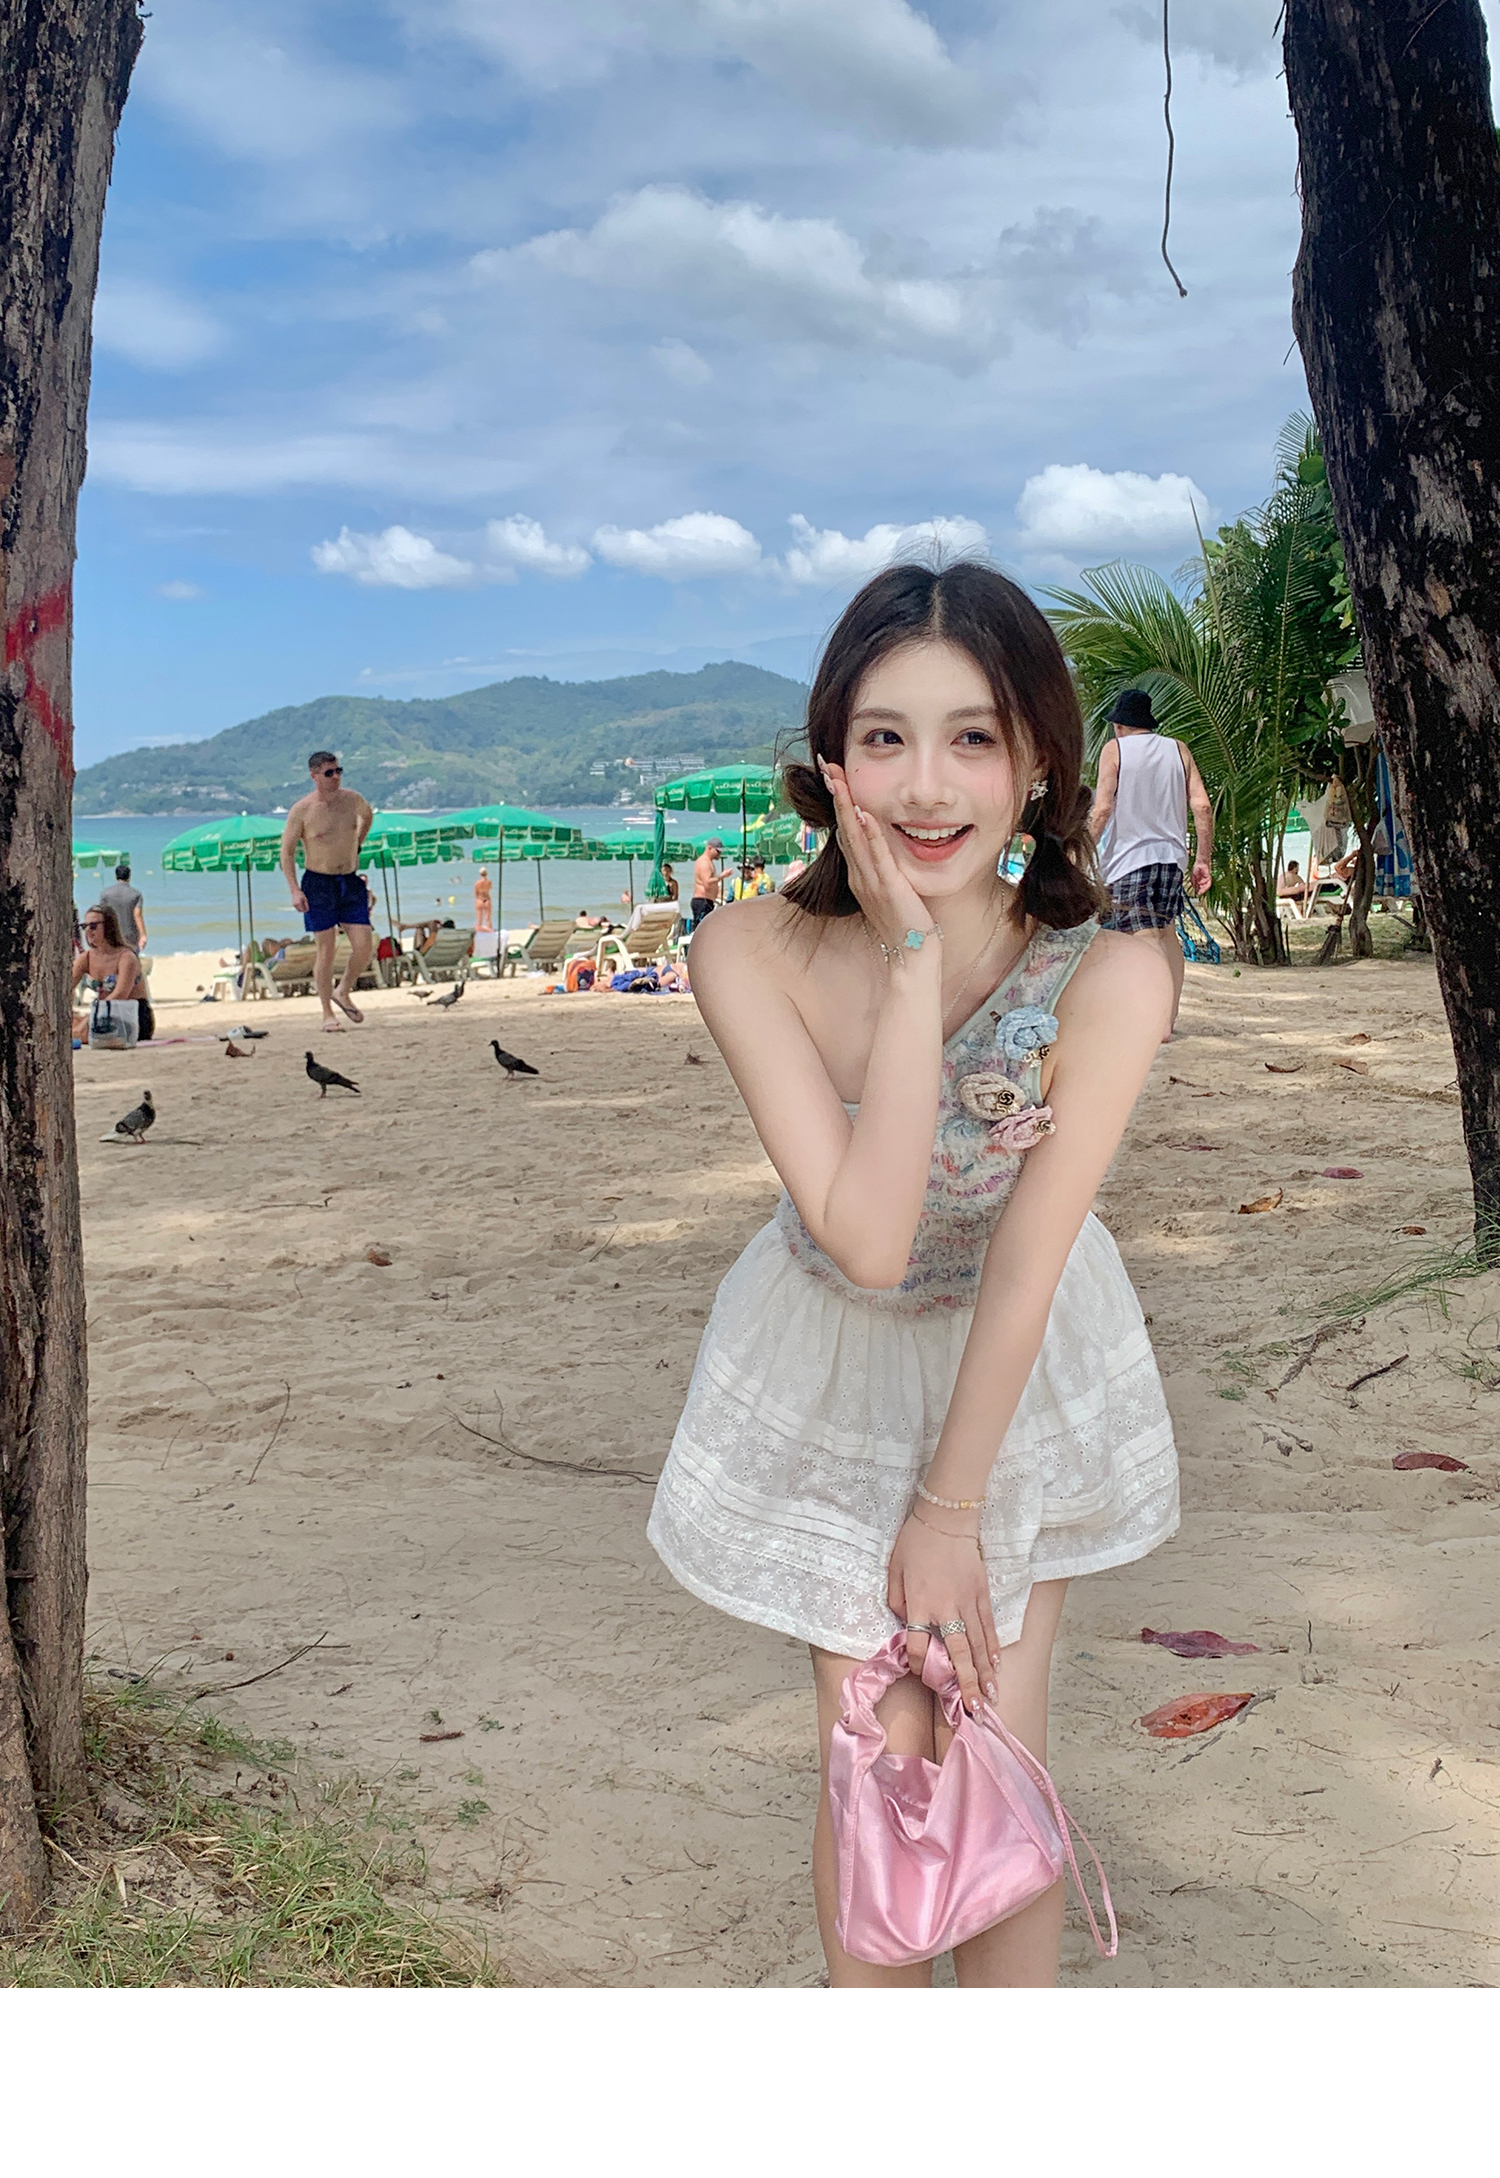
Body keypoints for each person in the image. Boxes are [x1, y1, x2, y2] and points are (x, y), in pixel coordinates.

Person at [648, 562, 1178, 1989]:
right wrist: (907, 967)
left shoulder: (1110, 974)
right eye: (885, 737)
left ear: (1040, 762)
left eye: (974, 738)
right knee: (882, 1756)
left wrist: (952, 1510)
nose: (929, 786)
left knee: (993, 1732)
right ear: (832, 763)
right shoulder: (746, 948)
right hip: (837, 1347)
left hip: (1014, 1361)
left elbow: (1027, 1264)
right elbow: (870, 1240)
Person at [1086, 689, 1213, 1038]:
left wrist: (1083, 851)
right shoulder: (1178, 749)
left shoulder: (1115, 750)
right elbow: (1202, 806)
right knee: (1165, 931)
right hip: (1171, 858)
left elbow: (1102, 809)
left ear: (1119, 725)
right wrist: (1202, 859)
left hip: (1129, 858)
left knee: (1142, 935)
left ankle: (1154, 1021)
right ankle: (1167, 1019)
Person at [280, 751, 374, 1031]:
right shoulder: (303, 809)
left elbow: (367, 816)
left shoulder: (352, 800)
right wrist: (294, 890)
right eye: (329, 773)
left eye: (338, 771)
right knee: (326, 949)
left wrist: (357, 842)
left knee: (364, 944)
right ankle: (327, 1013)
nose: (335, 777)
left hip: (350, 880)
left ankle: (343, 990)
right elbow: (287, 852)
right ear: (314, 776)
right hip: (318, 883)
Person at [72, 902, 146, 1044]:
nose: (88, 931)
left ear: (109, 926)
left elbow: (120, 994)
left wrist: (93, 1016)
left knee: (79, 1031)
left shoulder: (126, 957)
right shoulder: (87, 957)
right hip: (103, 1012)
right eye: (84, 926)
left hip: (129, 1016)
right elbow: (66, 987)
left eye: (93, 926)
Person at [98, 862, 147, 952]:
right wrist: (143, 935)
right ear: (129, 876)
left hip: (112, 934)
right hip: (130, 935)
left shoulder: (105, 894)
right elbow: (137, 915)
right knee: (131, 958)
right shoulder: (136, 894)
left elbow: (102, 915)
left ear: (116, 876)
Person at [690, 838, 724, 929]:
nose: (719, 854)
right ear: (709, 848)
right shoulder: (704, 862)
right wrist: (721, 876)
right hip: (702, 901)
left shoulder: (708, 862)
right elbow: (707, 883)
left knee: (706, 928)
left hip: (706, 901)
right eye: (717, 851)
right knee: (702, 929)